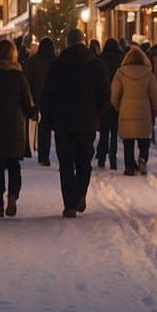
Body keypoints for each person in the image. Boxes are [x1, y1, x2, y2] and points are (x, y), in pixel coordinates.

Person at [41, 28, 111, 219]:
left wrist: (48, 118)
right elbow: (104, 94)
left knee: (66, 163)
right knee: (84, 161)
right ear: (84, 41)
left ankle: (69, 204)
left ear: (67, 43)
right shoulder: (97, 65)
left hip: (63, 121)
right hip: (88, 121)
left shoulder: (57, 66)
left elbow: (48, 94)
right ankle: (80, 193)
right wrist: (99, 114)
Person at [0, 40, 36, 217]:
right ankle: (13, 196)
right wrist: (32, 113)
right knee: (14, 166)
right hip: (14, 125)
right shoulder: (18, 76)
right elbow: (27, 101)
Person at [111, 45, 157, 176]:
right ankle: (143, 158)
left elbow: (115, 94)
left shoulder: (120, 73)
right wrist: (156, 111)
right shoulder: (148, 74)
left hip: (126, 110)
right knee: (144, 140)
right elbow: (154, 95)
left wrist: (117, 106)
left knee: (128, 141)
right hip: (144, 111)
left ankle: (129, 166)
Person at [24, 37, 57, 166]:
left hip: (38, 96)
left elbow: (27, 79)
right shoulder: (56, 61)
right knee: (50, 126)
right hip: (53, 98)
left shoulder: (33, 61)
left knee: (42, 127)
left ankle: (43, 155)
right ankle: (46, 154)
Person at [96, 38, 126, 170]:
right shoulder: (122, 59)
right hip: (118, 99)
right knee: (114, 131)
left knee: (103, 131)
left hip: (103, 98)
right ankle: (113, 158)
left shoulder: (100, 59)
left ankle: (101, 157)